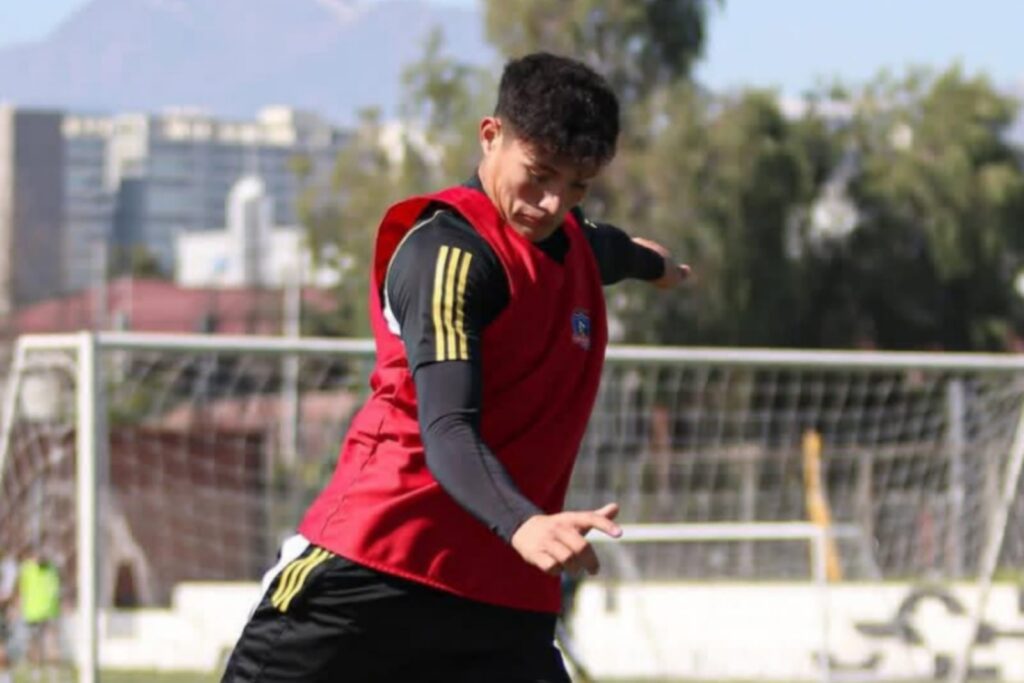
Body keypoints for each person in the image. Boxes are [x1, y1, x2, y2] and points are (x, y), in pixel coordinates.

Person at [222, 51, 690, 682]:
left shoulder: (571, 240)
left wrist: (654, 265)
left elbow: (608, 248)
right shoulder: (449, 253)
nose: (552, 203)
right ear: (490, 135)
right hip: (375, 569)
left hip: (500, 596)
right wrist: (524, 522)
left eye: (577, 186)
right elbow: (448, 429)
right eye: (539, 174)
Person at [0, 555, 17, 683]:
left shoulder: (7, 569)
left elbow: (10, 594)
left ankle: (6, 678)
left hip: (2, 616)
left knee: (3, 651)